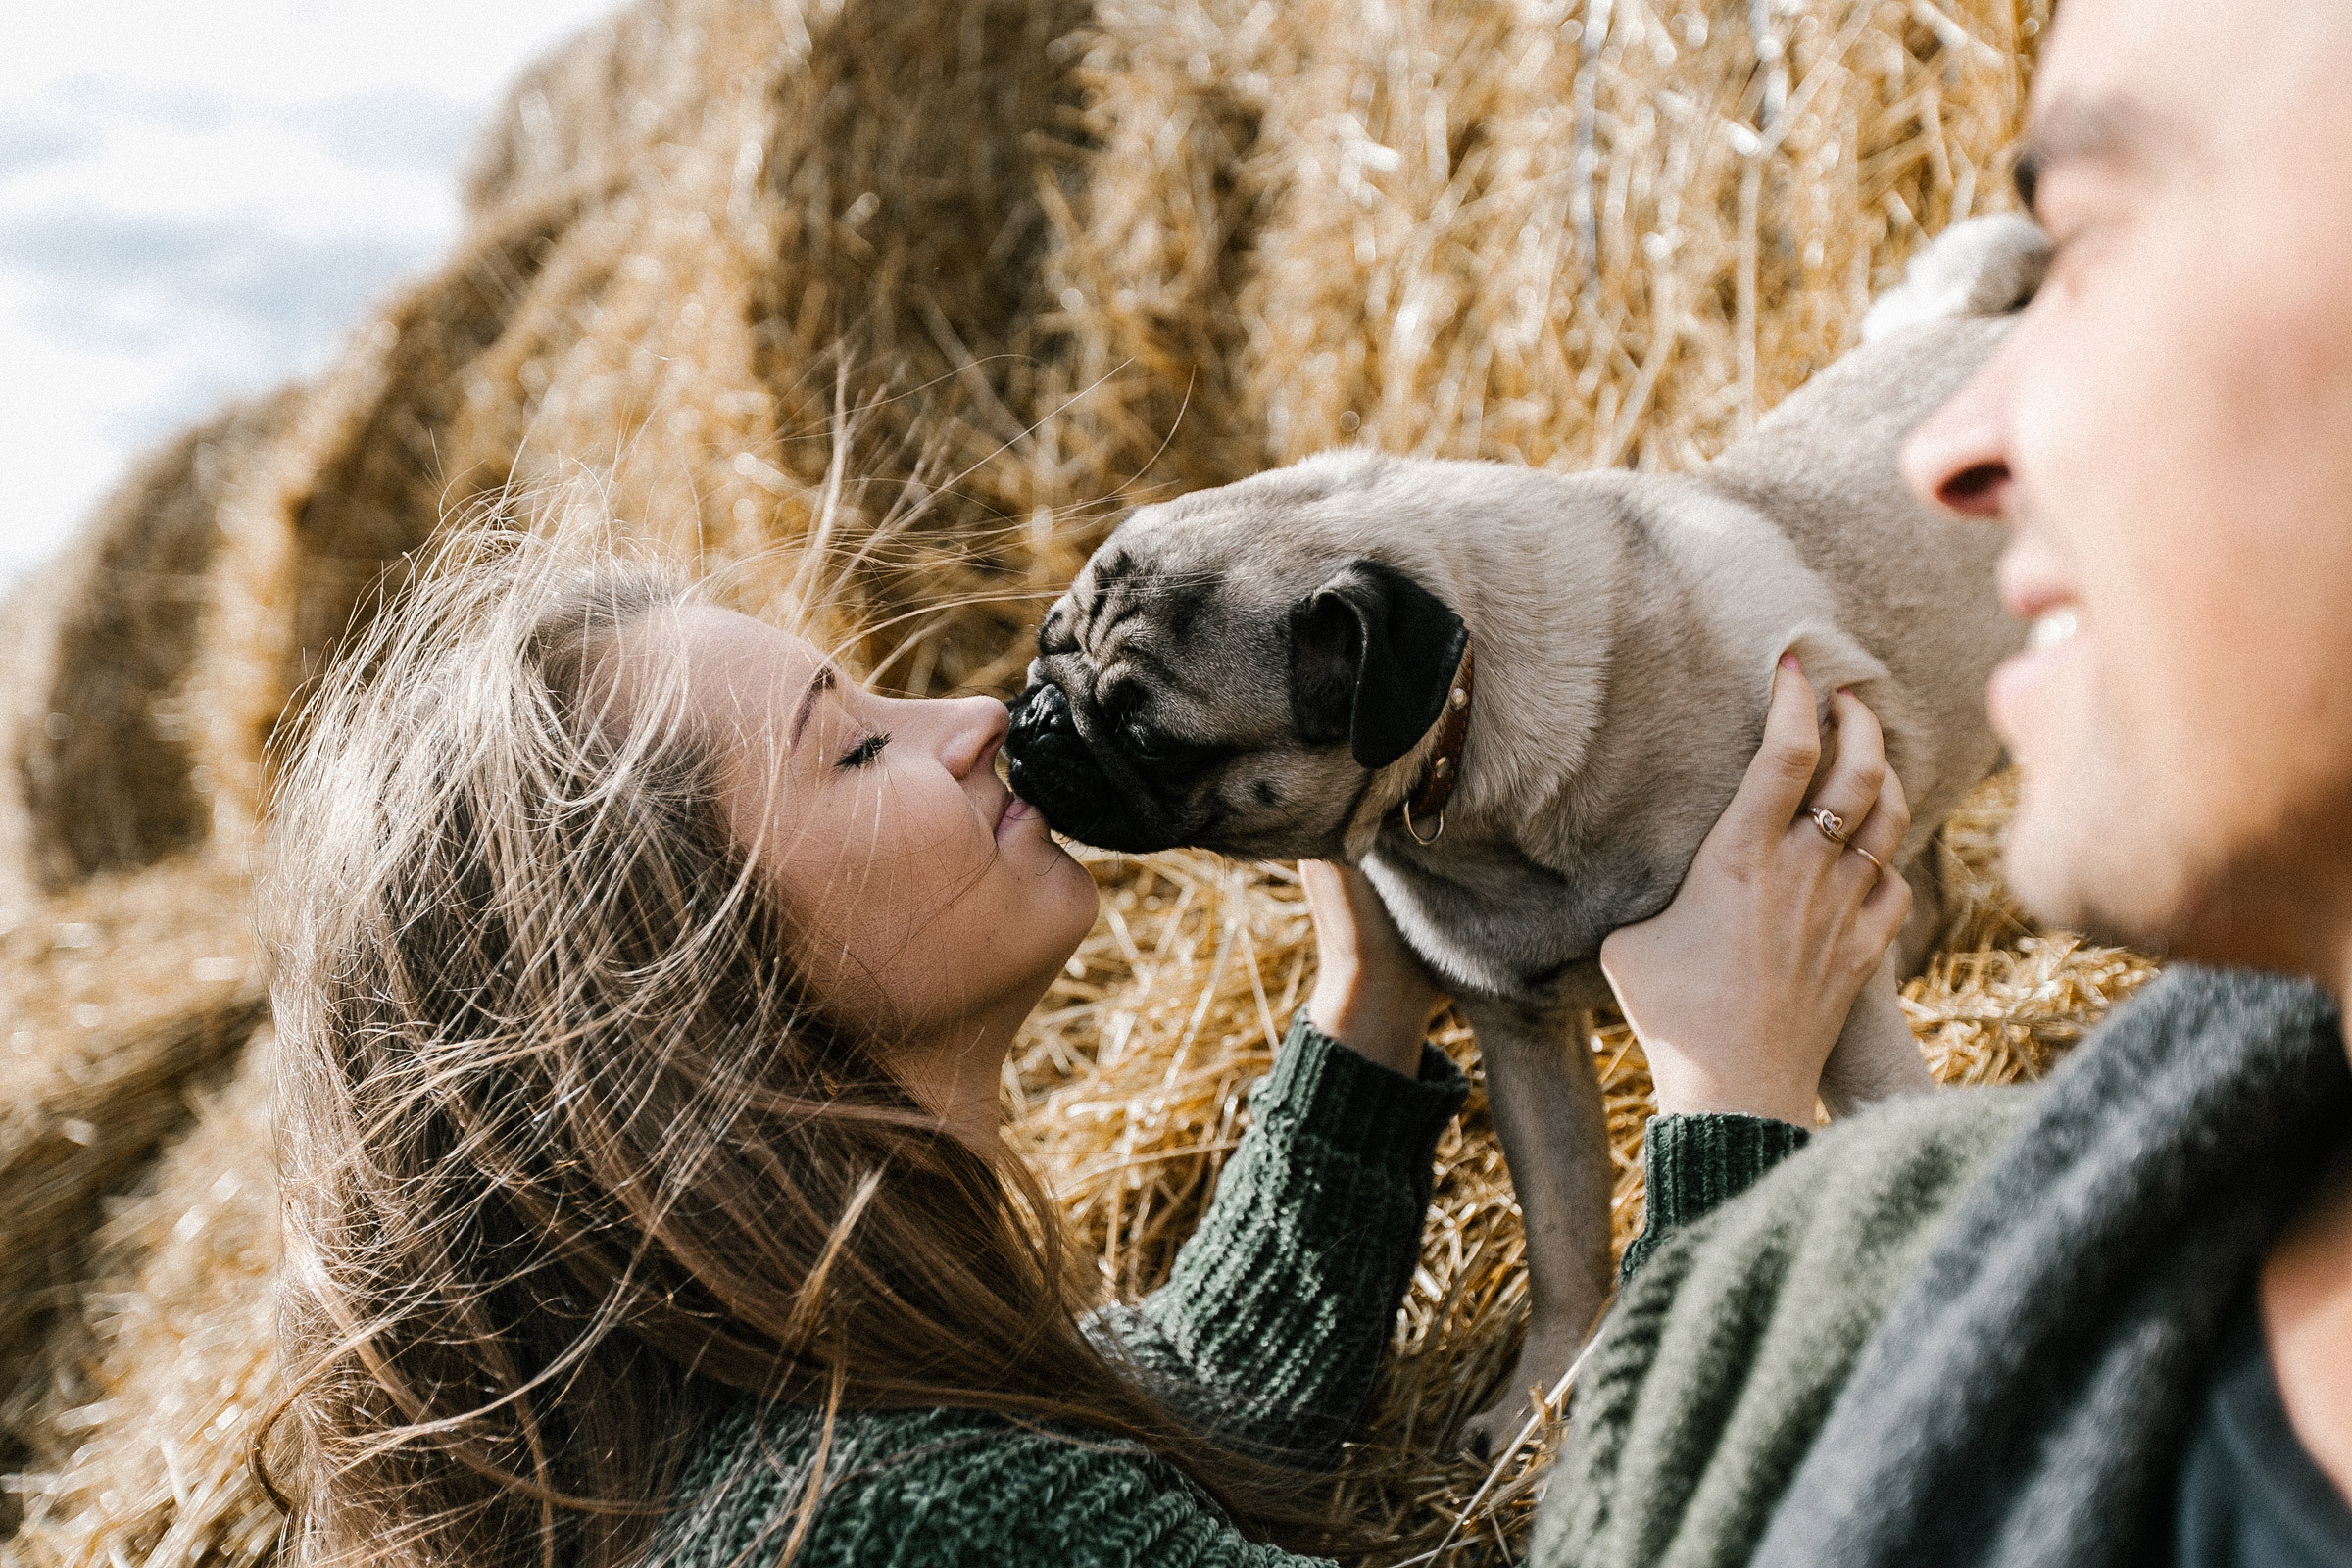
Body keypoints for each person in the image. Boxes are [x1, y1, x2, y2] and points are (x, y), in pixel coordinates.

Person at [259, 528, 1912, 1568]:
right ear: (700, 1011)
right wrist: (1731, 1105)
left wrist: (1366, 1007)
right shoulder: (870, 1528)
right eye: (851, 748)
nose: (972, 719)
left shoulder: (821, 1431)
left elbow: (1159, 1424)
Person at [1533, 0, 2352, 1564]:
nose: (1948, 446)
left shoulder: (1870, 1303)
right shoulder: (1912, 1243)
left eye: (2094, 247)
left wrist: (1731, 1125)